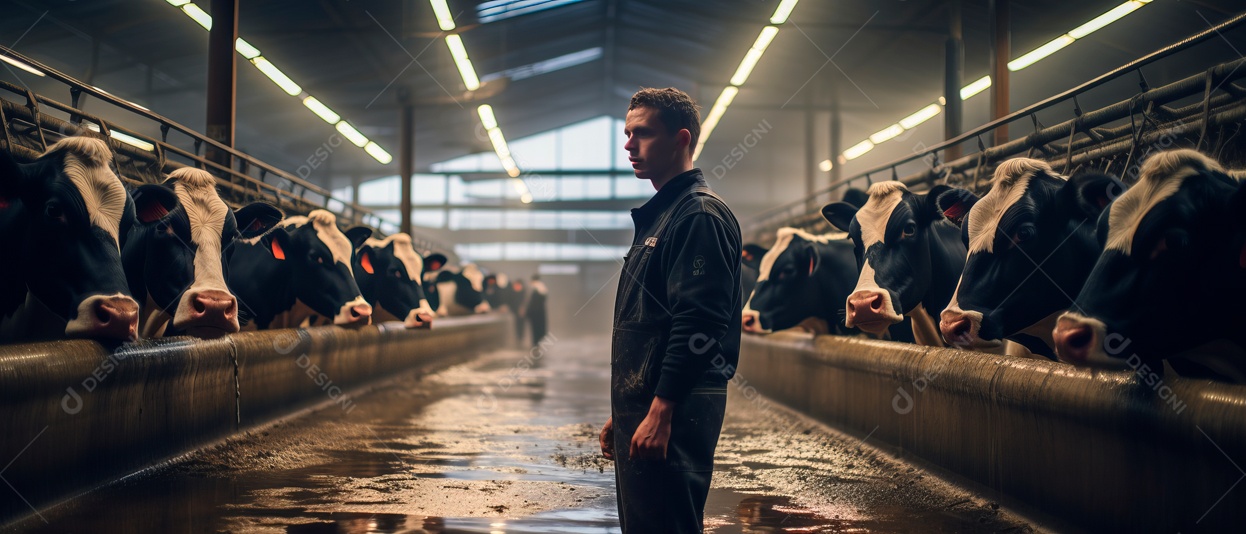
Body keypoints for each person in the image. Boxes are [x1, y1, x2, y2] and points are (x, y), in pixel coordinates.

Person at [599, 87, 743, 533]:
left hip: (677, 413)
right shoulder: (664, 216)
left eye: (642, 134)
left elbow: (698, 322)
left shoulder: (698, 215)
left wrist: (661, 409)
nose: (628, 145)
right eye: (627, 134)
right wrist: (625, 408)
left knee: (668, 525)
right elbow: (652, 324)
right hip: (648, 408)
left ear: (681, 139)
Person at [523, 274, 548, 346]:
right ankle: (536, 341)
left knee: (535, 327)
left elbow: (530, 301)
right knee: (538, 326)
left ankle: (535, 342)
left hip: (535, 312)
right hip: (539, 311)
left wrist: (528, 310)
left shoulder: (534, 288)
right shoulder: (542, 287)